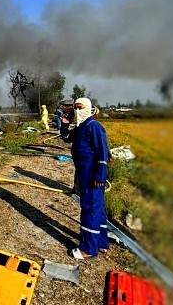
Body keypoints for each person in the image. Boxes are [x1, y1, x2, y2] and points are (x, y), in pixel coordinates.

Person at [61, 98, 110, 259]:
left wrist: (100, 176)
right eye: (75, 108)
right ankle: (101, 243)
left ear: (88, 109)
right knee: (98, 208)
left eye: (80, 107)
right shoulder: (81, 127)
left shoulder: (94, 127)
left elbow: (102, 153)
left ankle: (88, 249)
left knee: (90, 208)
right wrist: (65, 123)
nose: (77, 110)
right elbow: (67, 137)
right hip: (84, 173)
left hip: (92, 174)